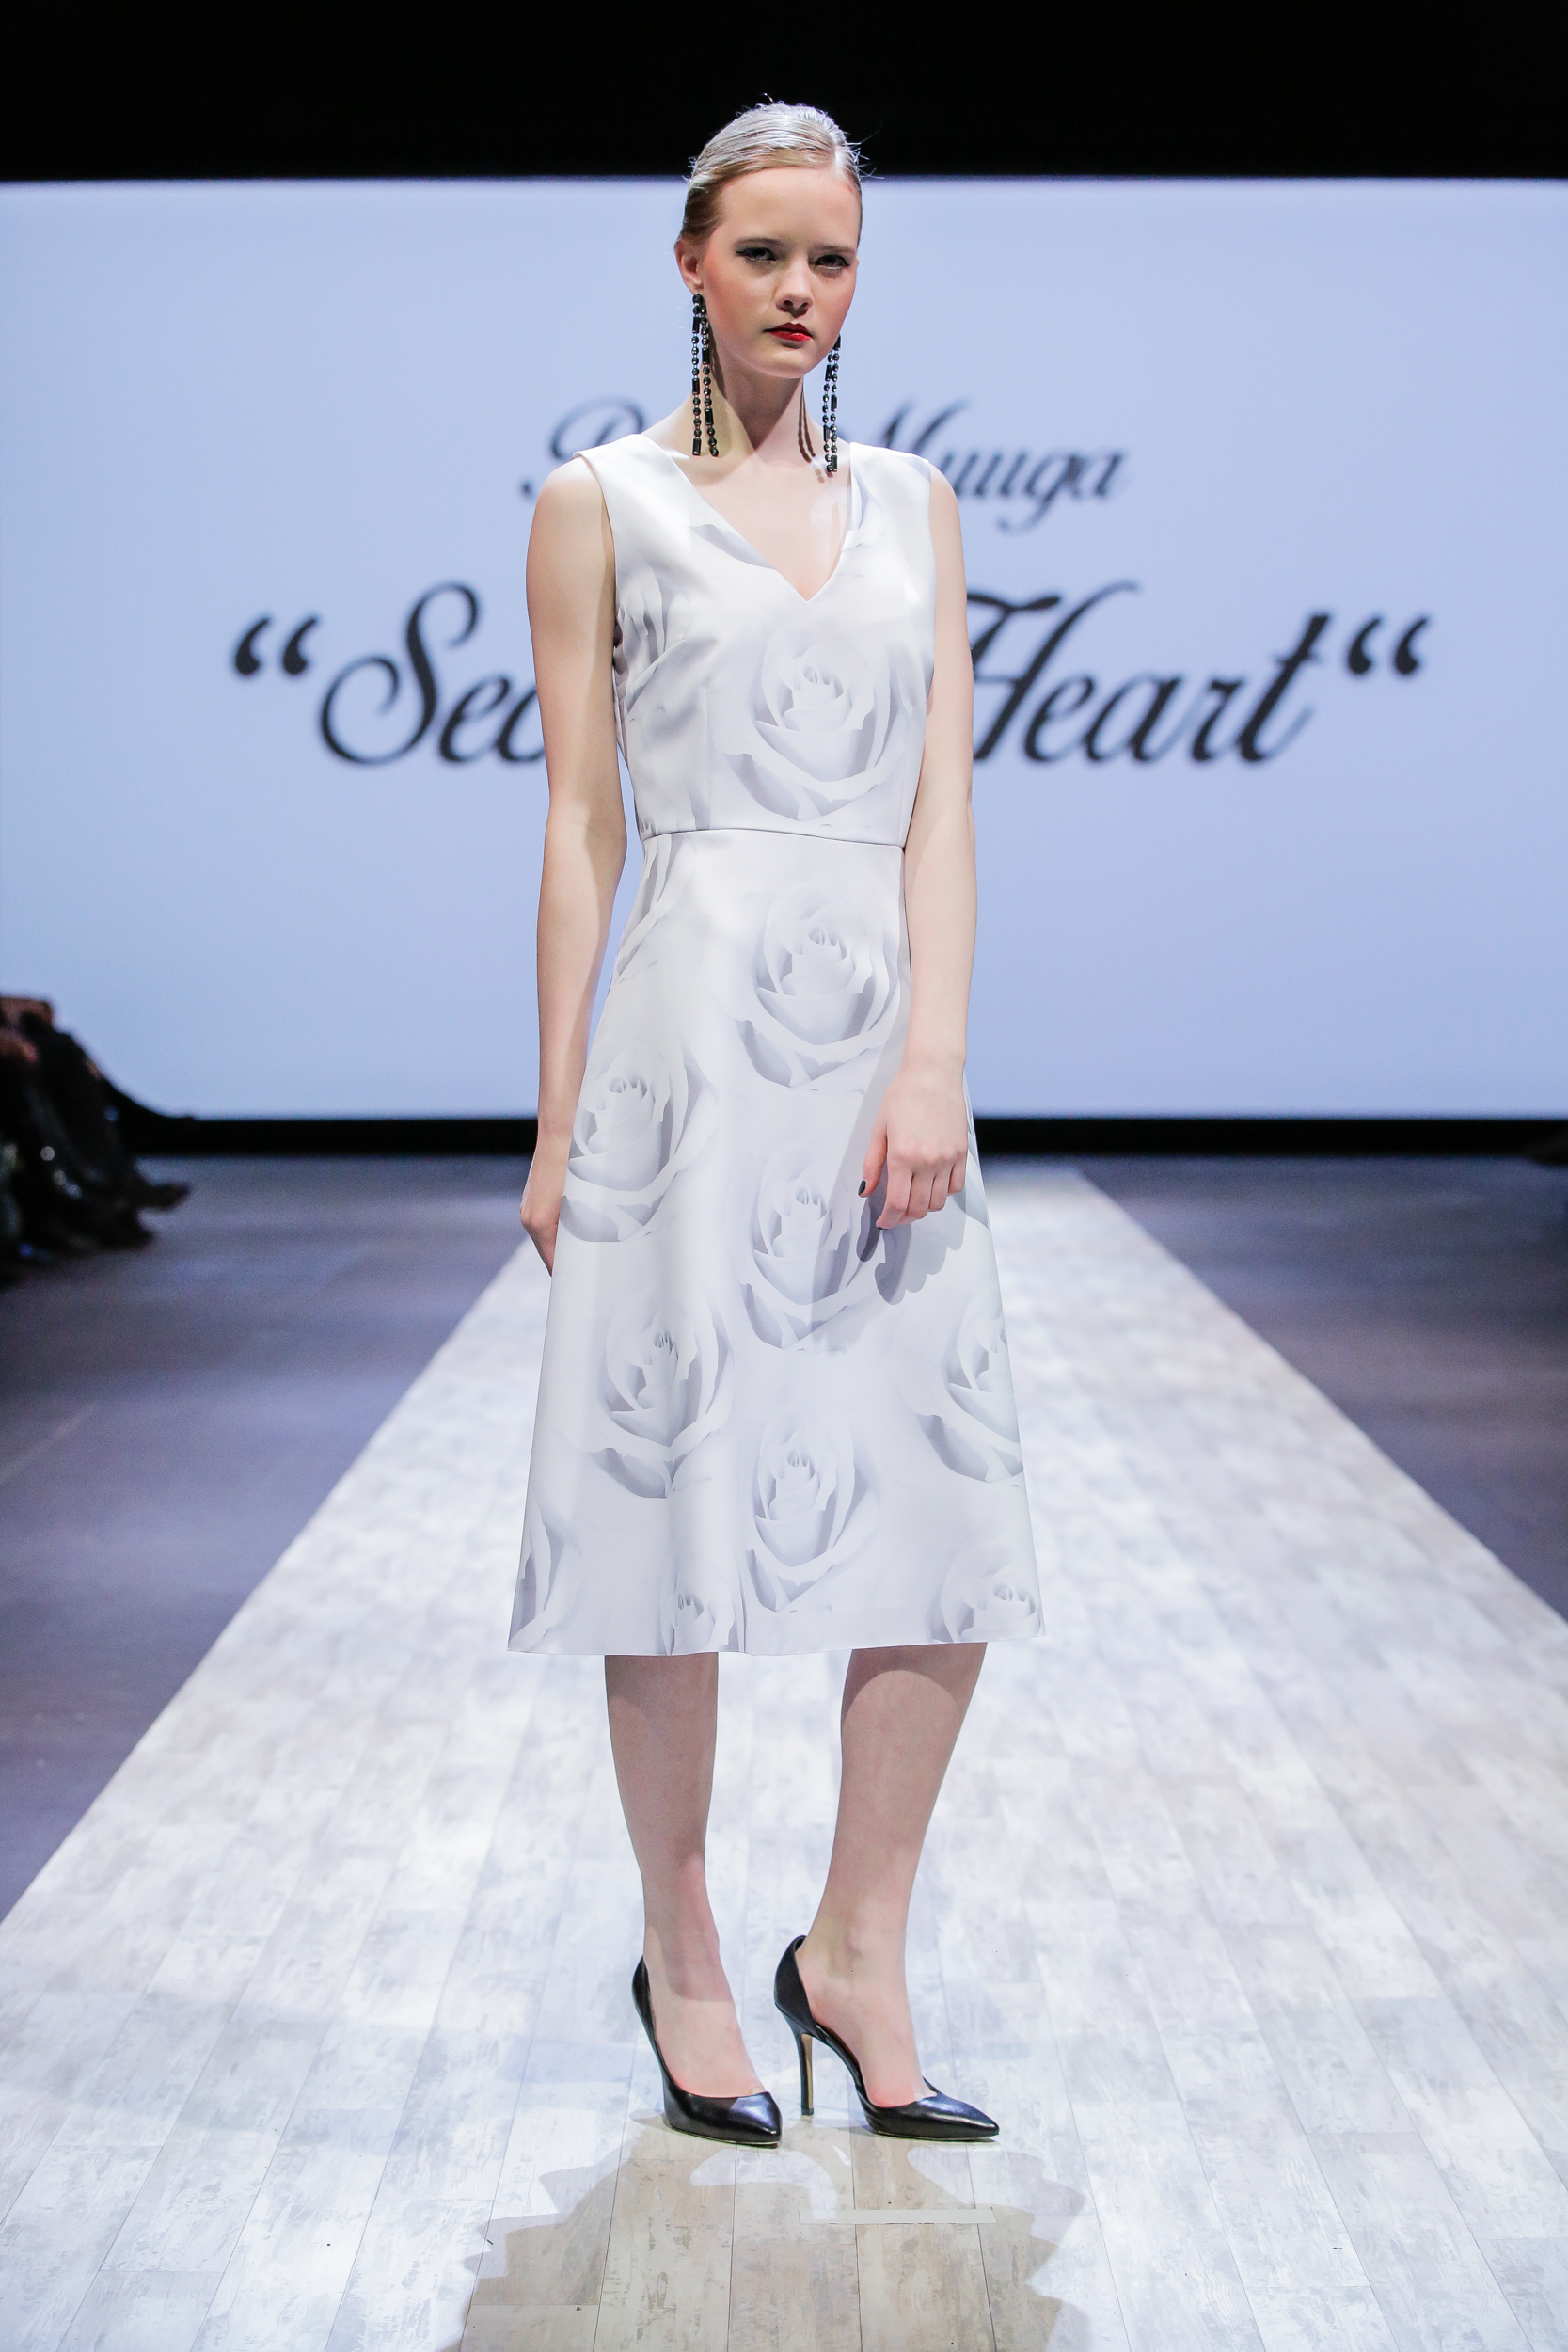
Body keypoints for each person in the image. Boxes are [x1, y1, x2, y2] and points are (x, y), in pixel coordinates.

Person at [511, 102, 1041, 2148]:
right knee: (675, 1519)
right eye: (764, 254)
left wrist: (939, 1060)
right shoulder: (603, 503)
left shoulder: (917, 503)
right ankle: (688, 1949)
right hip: (684, 1049)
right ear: (691, 263)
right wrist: (559, 1114)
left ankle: (862, 1945)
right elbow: (580, 825)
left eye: (831, 258)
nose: (800, 290)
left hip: (879, 1045)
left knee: (940, 1519)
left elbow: (945, 805)